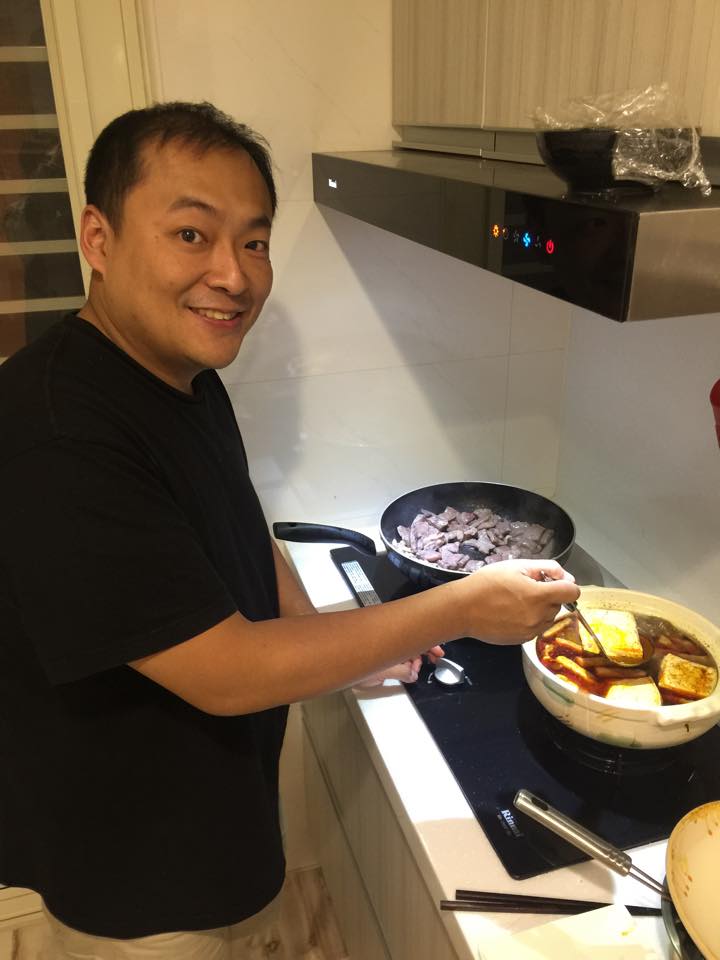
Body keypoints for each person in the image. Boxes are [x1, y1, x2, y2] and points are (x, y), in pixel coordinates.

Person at [0, 101, 579, 958]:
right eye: (192, 234)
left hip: (209, 821)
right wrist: (460, 606)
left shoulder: (177, 375)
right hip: (138, 882)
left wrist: (337, 642)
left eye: (255, 242)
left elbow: (237, 521)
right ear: (99, 238)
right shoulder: (58, 433)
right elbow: (226, 672)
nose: (234, 275)